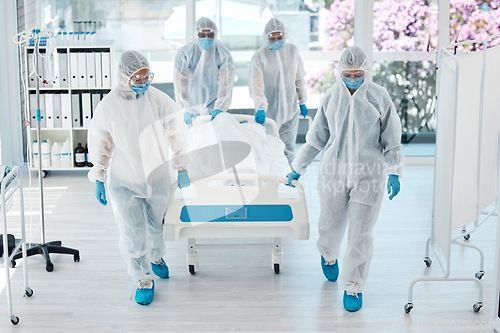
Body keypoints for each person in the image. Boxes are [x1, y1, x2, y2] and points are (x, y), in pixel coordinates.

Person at [286, 46, 403, 312]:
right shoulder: (331, 97)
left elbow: (392, 139)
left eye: (357, 73)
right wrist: (298, 166)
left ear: (366, 71)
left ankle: (353, 285)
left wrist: (395, 171)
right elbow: (316, 138)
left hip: (369, 172)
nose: (352, 78)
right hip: (333, 171)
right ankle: (328, 256)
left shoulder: (379, 97)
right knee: (329, 222)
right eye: (348, 73)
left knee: (361, 232)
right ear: (340, 71)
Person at [88, 50, 191, 306]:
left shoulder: (159, 100)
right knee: (133, 231)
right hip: (124, 179)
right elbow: (101, 141)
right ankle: (143, 278)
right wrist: (99, 175)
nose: (144, 83)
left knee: (156, 225)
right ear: (124, 77)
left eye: (148, 77)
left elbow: (177, 133)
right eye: (138, 78)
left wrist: (183, 167)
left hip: (157, 176)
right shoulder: (108, 106)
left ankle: (156, 258)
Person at [249, 18, 308, 165]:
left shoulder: (293, 51)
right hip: (269, 111)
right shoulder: (260, 56)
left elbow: (299, 77)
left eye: (279, 37)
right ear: (266, 37)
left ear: (285, 35)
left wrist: (302, 101)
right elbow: (257, 84)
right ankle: (269, 183)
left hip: (290, 109)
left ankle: (288, 182)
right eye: (272, 38)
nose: (276, 41)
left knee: (288, 148)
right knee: (268, 147)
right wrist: (261, 106)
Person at [174, 16, 235, 125]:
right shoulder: (185, 54)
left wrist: (220, 107)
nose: (206, 38)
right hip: (191, 110)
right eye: (202, 35)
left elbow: (226, 84)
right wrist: (185, 109)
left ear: (215, 34)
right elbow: (180, 85)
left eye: (210, 35)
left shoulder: (222, 54)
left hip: (214, 110)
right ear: (196, 34)